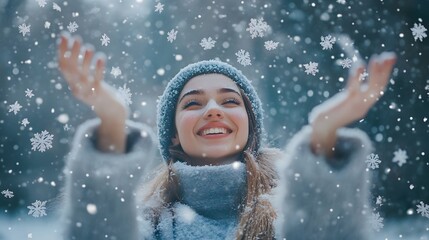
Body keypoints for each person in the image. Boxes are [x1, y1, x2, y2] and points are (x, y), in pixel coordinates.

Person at [57, 33, 396, 239]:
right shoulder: (151, 225)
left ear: (249, 129)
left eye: (230, 101)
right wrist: (113, 122)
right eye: (193, 103)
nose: (213, 109)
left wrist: (324, 133)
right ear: (173, 137)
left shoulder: (288, 215)